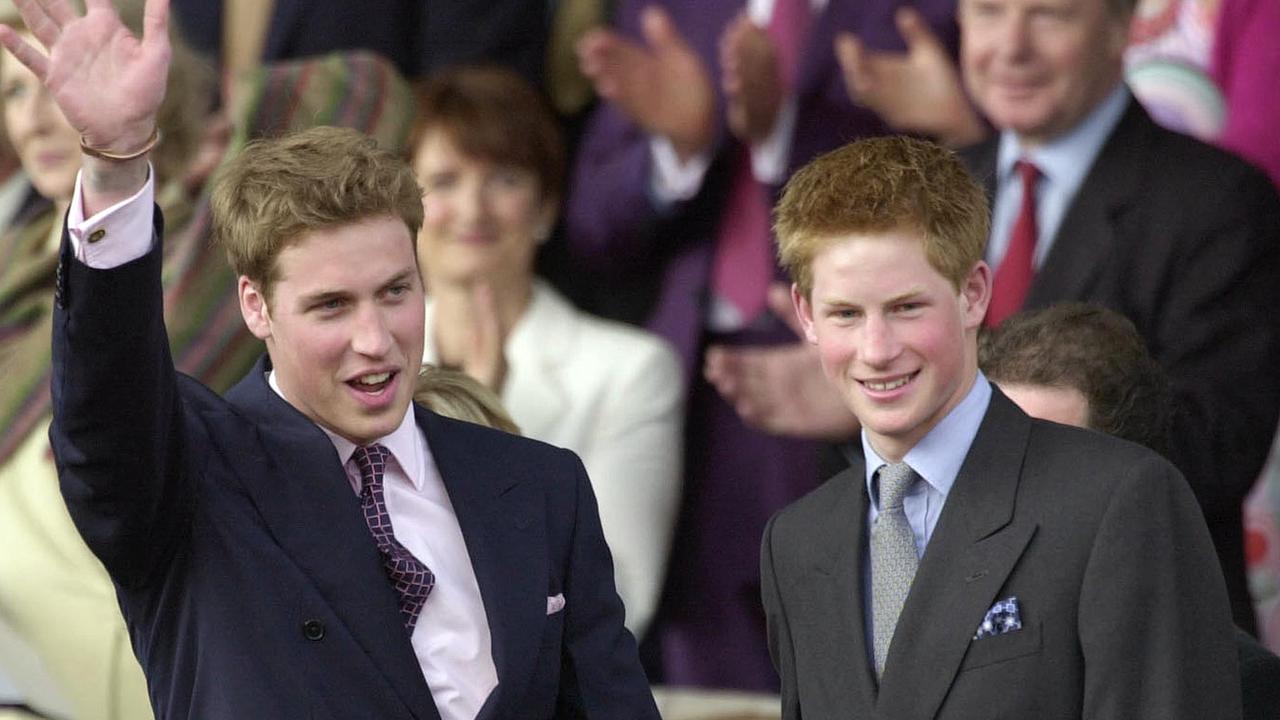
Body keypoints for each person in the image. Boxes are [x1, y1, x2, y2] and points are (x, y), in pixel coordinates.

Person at [4, 0, 659, 717]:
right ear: (256, 308)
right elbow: (108, 393)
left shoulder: (541, 486)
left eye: (394, 292)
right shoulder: (190, 476)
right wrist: (117, 162)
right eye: (331, 306)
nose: (375, 339)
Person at [719, 0, 1280, 633]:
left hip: (1132, 635)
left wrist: (934, 413)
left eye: (1050, 16)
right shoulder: (940, 190)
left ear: (1122, 28)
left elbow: (1215, 448)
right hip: (946, 645)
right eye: (988, 12)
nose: (1011, 47)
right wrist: (867, 408)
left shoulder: (1219, 202)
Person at [760, 135, 1239, 718]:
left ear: (973, 294)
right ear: (806, 315)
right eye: (846, 314)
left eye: (907, 307)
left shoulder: (1117, 500)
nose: (877, 349)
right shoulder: (796, 544)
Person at [568, 0, 958, 689]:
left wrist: (782, 132)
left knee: (853, 657)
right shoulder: (664, 12)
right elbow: (592, 229)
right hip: (689, 382)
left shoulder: (928, 13)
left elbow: (967, 186)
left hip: (867, 383)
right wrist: (678, 150)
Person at [412, 64, 684, 641]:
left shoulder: (630, 372)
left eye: (504, 179)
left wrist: (487, 434)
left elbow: (623, 603)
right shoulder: (365, 362)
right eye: (443, 181)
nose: (472, 209)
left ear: (545, 208)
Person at [979, 302, 1280, 720]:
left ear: (1131, 485)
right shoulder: (932, 649)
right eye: (995, 455)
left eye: (1048, 463)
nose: (1011, 492)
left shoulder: (1239, 683)